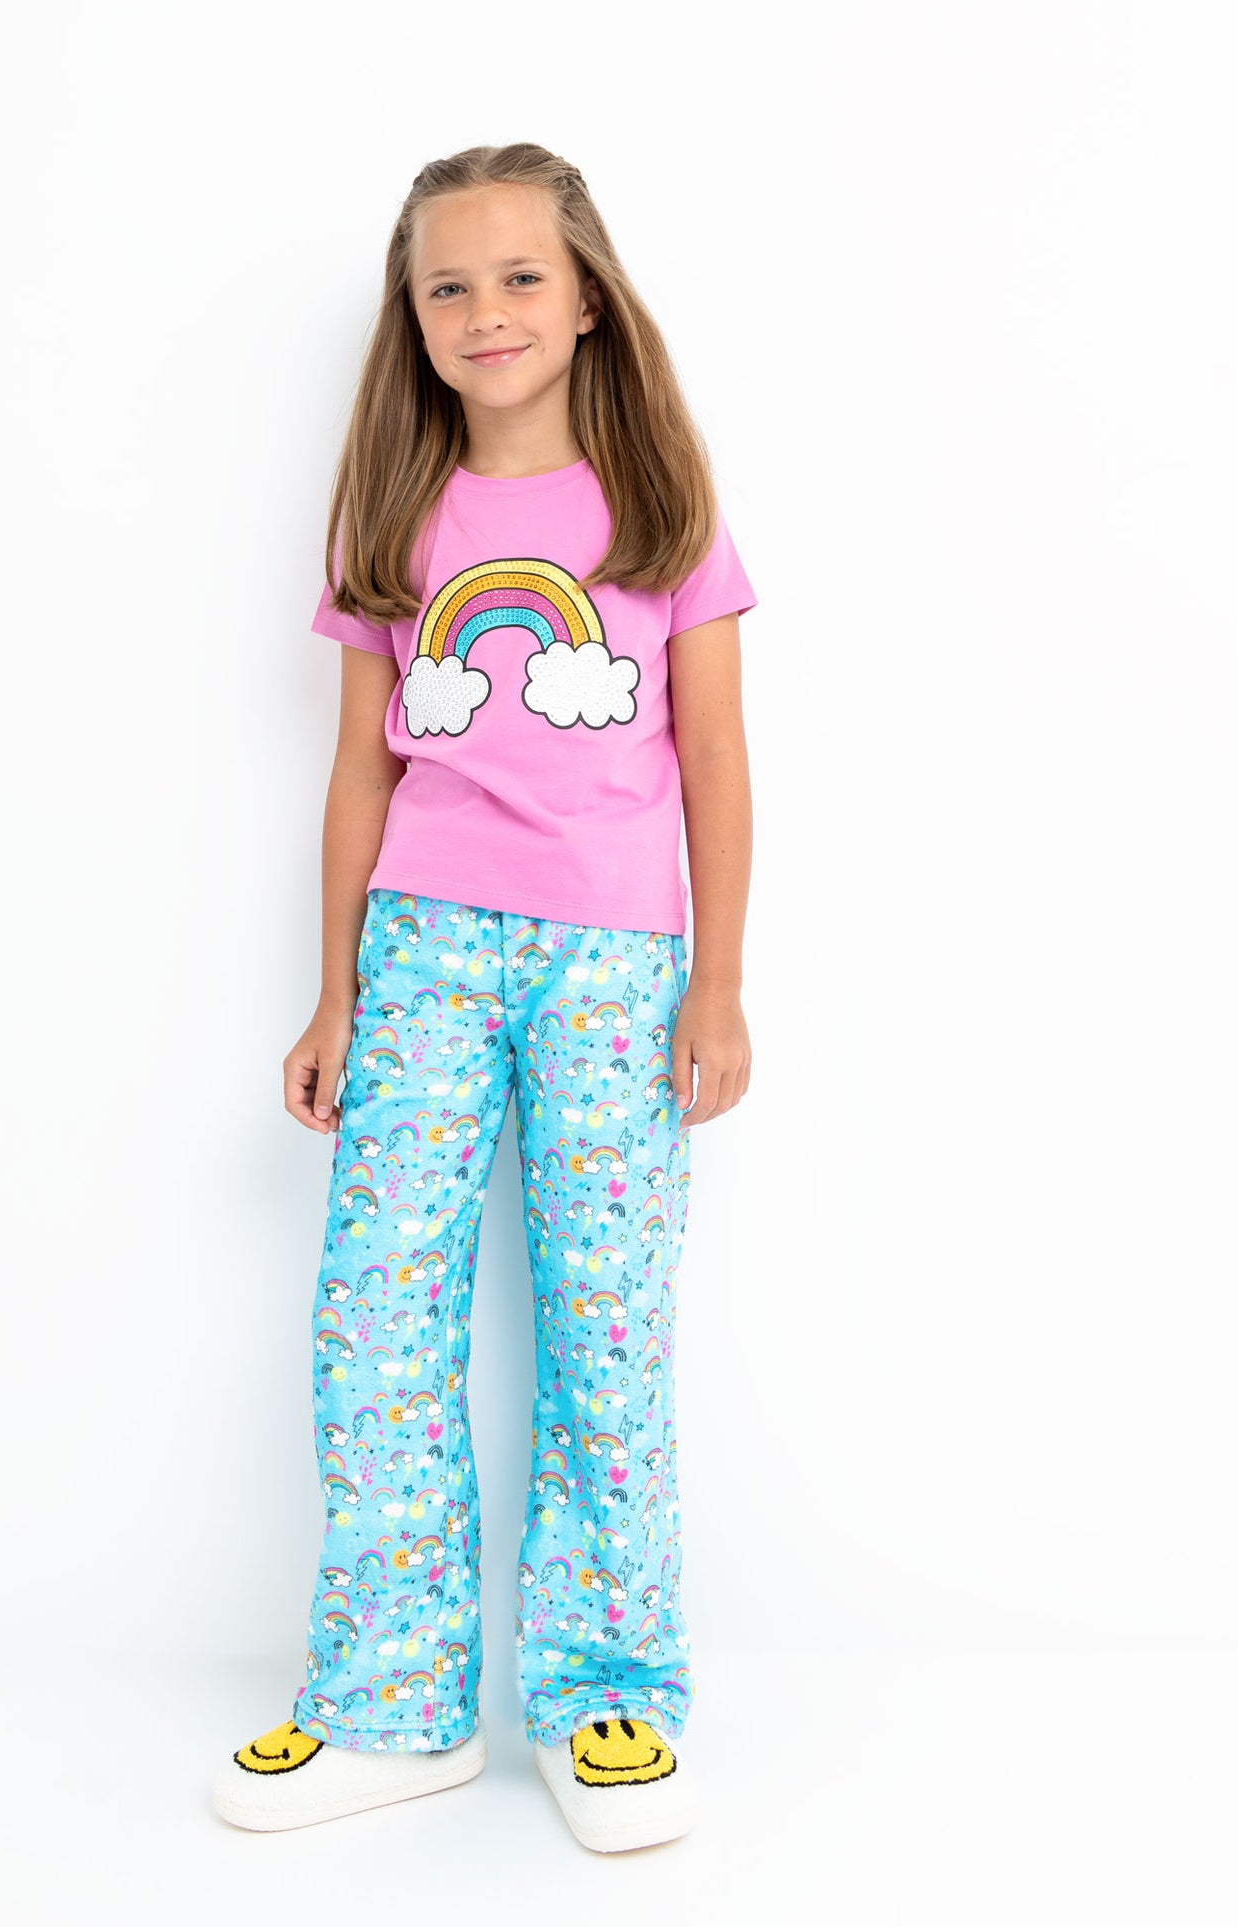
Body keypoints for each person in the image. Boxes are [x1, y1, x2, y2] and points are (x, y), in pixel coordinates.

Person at [209, 141, 757, 1854]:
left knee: (606, 1321)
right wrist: (332, 995)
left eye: (520, 276)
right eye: (447, 285)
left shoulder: (660, 507)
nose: (485, 311)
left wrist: (718, 984)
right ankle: (390, 1704)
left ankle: (605, 1695)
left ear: (587, 299)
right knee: (377, 1313)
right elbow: (358, 776)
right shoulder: (394, 512)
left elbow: (717, 763)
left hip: (612, 964)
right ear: (414, 318)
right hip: (421, 954)